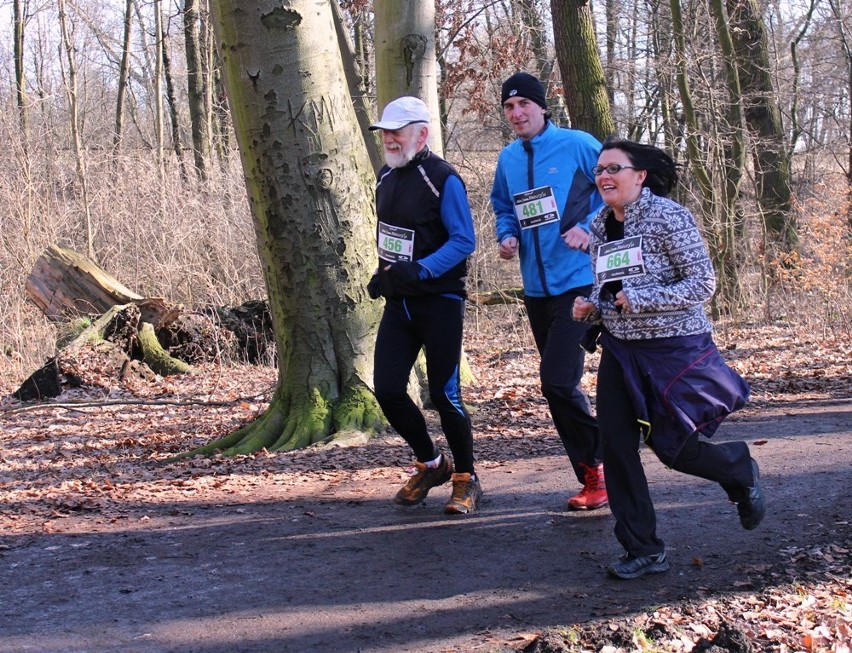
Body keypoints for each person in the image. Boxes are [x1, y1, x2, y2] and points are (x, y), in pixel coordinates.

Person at [572, 138, 765, 579]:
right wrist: (590, 303)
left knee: (672, 448)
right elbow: (609, 287)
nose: (604, 176)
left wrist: (640, 300)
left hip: (672, 350)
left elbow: (702, 284)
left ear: (639, 176)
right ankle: (643, 548)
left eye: (614, 168)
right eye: (599, 170)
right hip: (620, 351)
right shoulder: (600, 226)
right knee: (617, 446)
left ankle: (739, 469)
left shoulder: (668, 218)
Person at [491, 72, 607, 510]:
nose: (517, 113)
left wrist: (587, 228)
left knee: (557, 381)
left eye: (524, 104)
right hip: (535, 289)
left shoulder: (578, 144)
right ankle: (594, 474)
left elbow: (615, 190)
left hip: (577, 282)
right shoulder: (507, 159)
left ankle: (604, 459)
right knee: (558, 387)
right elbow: (503, 204)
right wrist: (507, 235)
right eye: (509, 107)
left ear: (543, 107)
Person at [367, 96, 481, 514]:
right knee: (389, 389)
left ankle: (466, 479)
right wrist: (384, 276)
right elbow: (393, 238)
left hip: (441, 301)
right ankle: (432, 463)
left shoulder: (443, 177)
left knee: (446, 395)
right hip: (401, 304)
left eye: (398, 131)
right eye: (386, 133)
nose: (391, 140)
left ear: (422, 133)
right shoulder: (385, 177)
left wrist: (424, 270)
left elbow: (463, 241)